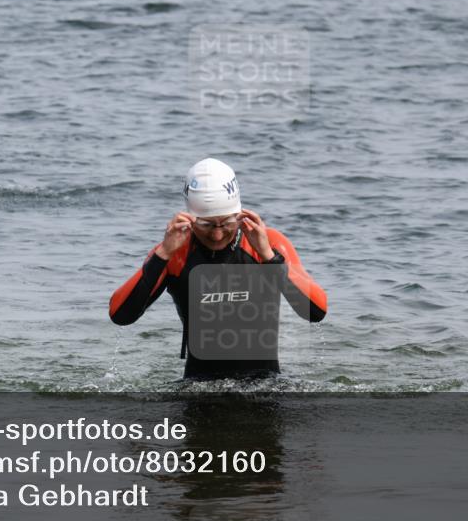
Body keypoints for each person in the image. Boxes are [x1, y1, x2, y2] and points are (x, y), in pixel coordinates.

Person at [109, 158, 327, 380]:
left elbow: (315, 312)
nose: (217, 234)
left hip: (265, 388)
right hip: (197, 389)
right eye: (206, 224)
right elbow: (121, 315)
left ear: (240, 214)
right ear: (190, 219)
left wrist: (269, 258)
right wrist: (162, 254)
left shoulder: (269, 244)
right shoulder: (174, 252)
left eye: (226, 223)